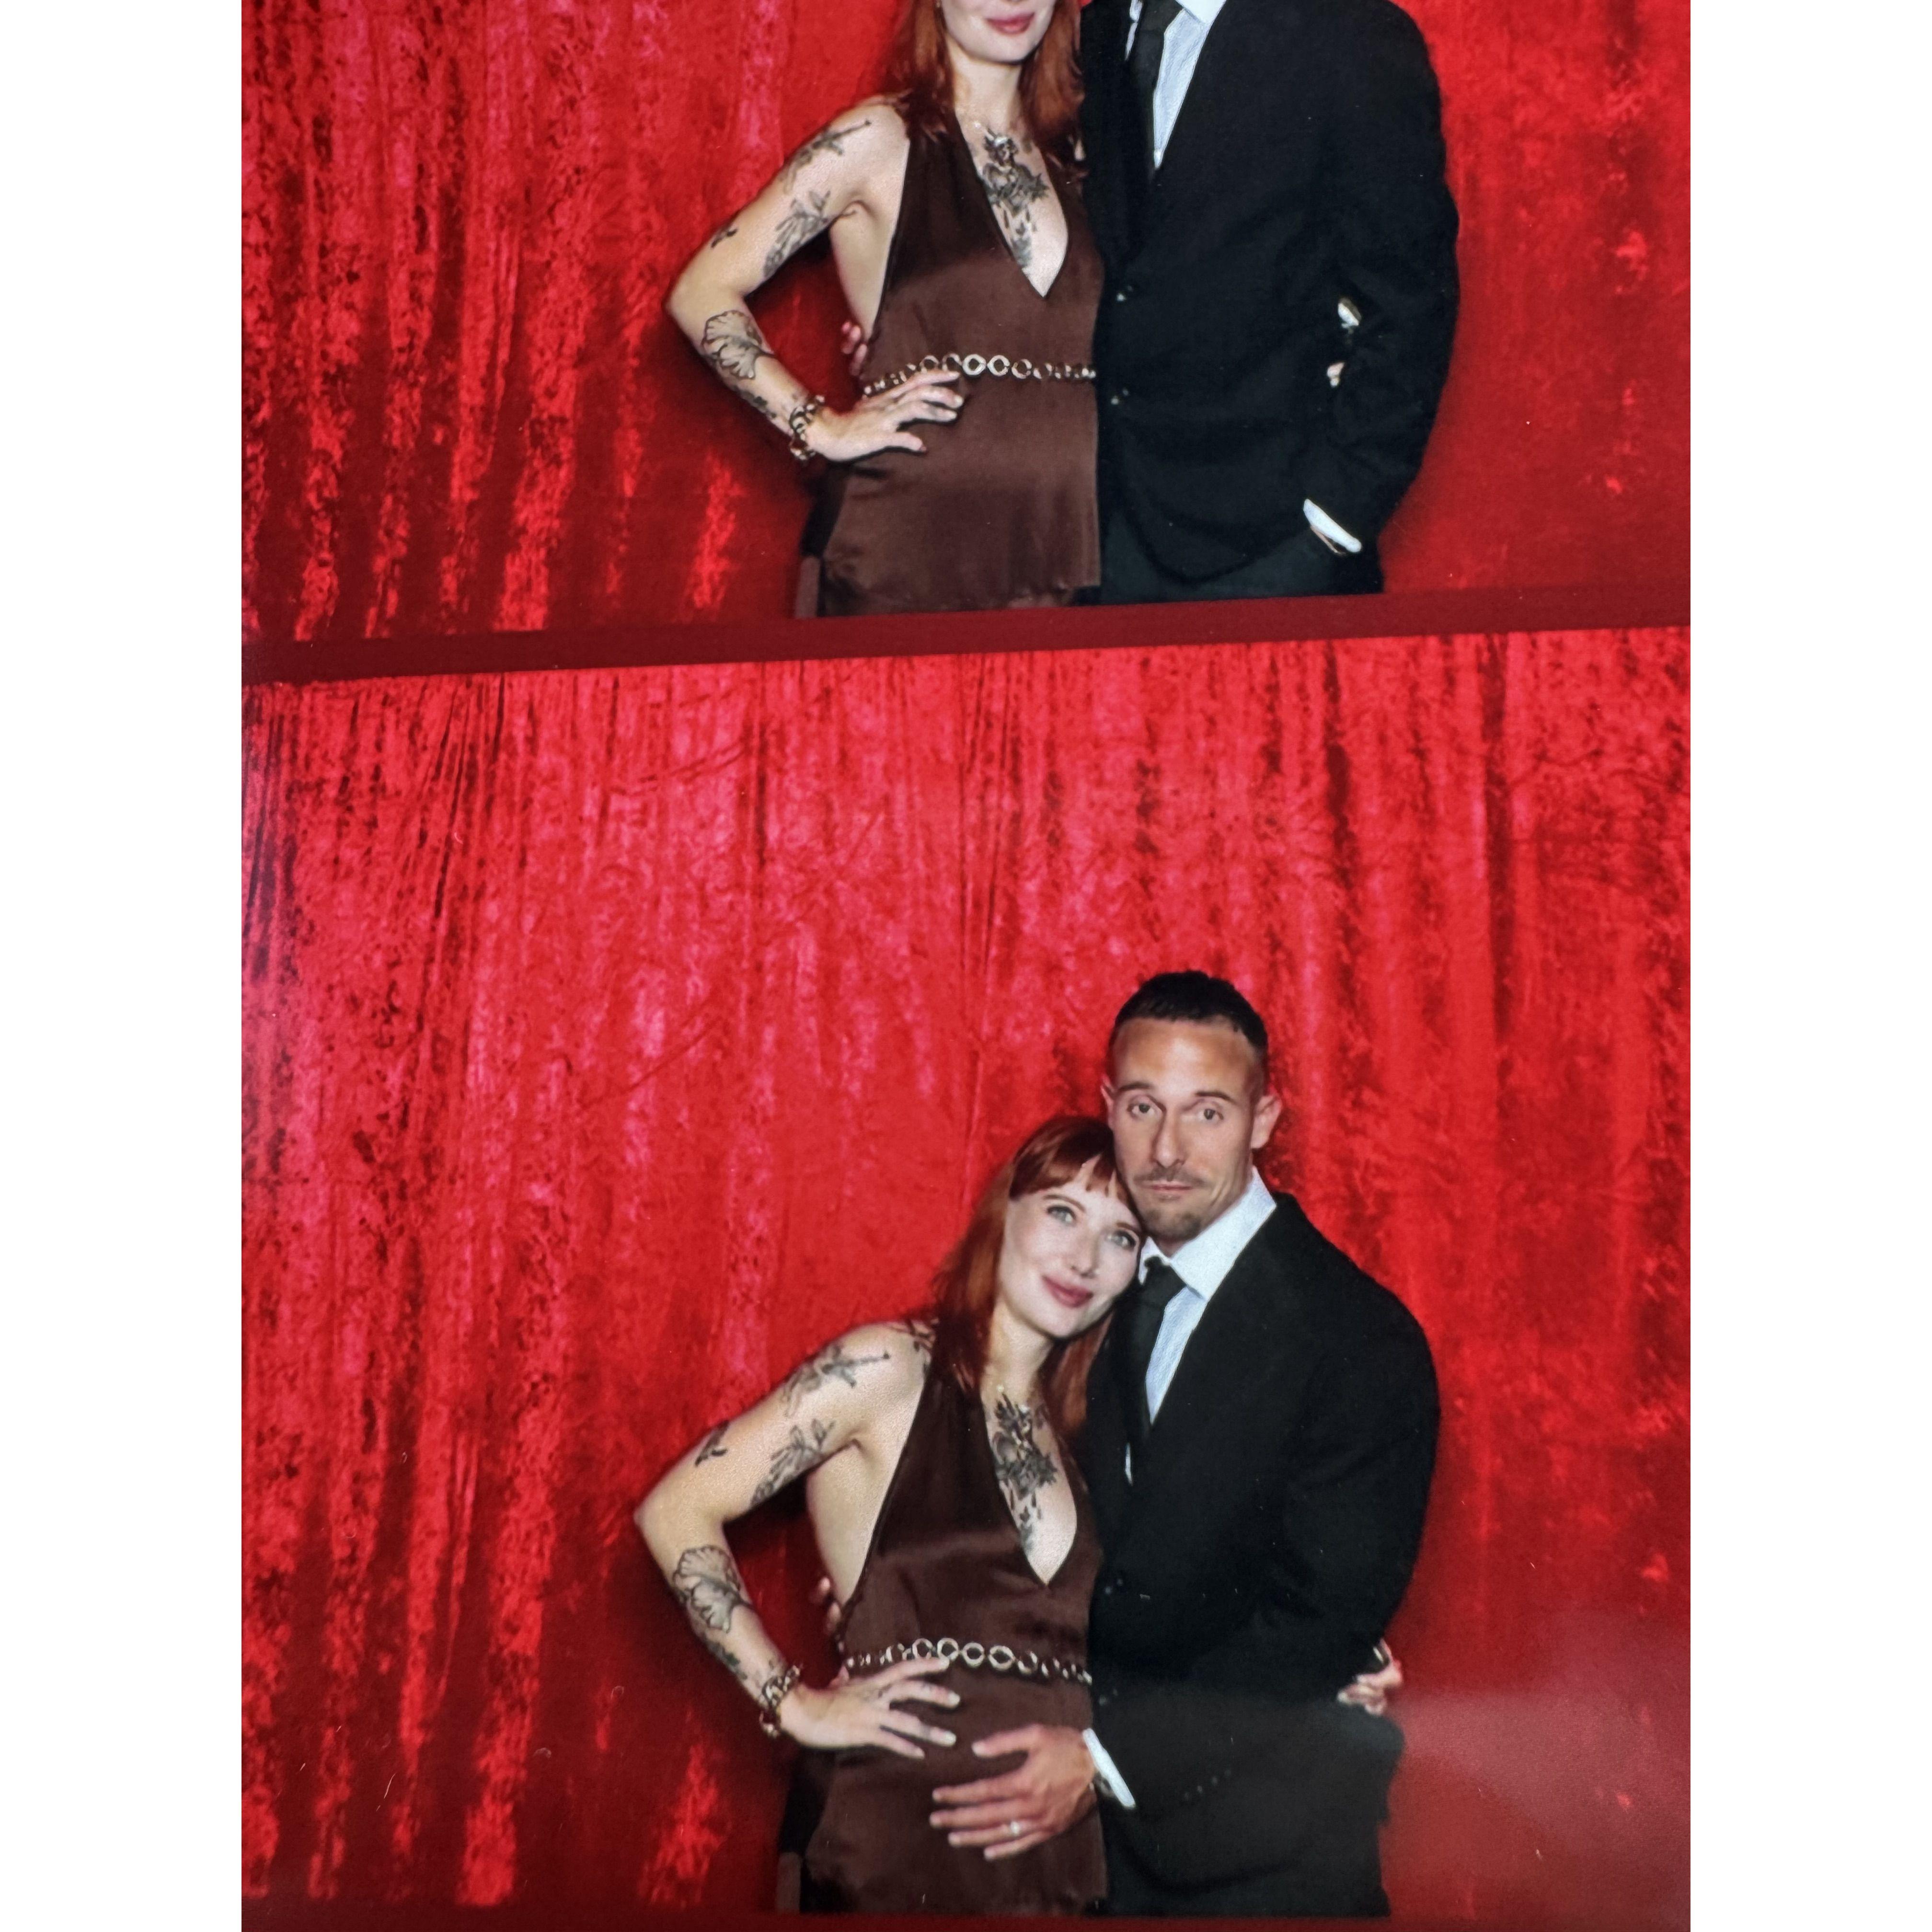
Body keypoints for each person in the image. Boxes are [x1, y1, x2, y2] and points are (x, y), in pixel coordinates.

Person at [926, 972, 1441, 1915]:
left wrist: (1102, 1761)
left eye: (1207, 1111)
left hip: (1267, 1871)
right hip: (1069, 1867)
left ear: (1263, 1120)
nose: (1168, 1150)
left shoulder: (1360, 1339)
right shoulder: (1086, 1290)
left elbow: (1315, 1625)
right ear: (1107, 1107)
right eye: (1142, 1107)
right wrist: (899, 1576)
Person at [635, 1116, 1141, 1912]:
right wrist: (791, 1700)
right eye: (1062, 1212)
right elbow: (676, 1509)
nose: (1085, 1258)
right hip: (887, 1849)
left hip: (1052, 1870)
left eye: (1121, 1237)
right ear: (1003, 1212)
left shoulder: (1084, 1440)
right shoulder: (888, 1367)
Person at [664, 0, 1104, 617]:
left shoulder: (1079, 152)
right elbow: (702, 291)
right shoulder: (876, 139)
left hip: (1062, 546)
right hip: (903, 546)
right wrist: (818, 425)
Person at [1079, 0, 1461, 600]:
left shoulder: (1349, 34)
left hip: (1273, 540)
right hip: (1114, 536)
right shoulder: (1098, 27)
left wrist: (1333, 524)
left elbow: (1414, 299)